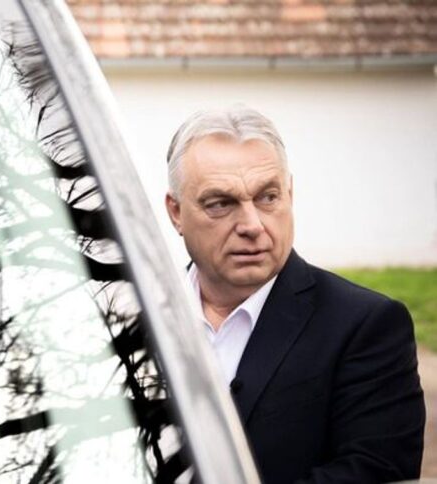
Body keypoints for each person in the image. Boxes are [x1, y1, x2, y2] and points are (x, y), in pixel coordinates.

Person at [163, 106, 425, 483]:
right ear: (176, 212)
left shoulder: (366, 325)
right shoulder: (128, 315)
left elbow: (376, 472)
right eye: (220, 203)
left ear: (290, 194)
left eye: (267, 197)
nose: (252, 225)